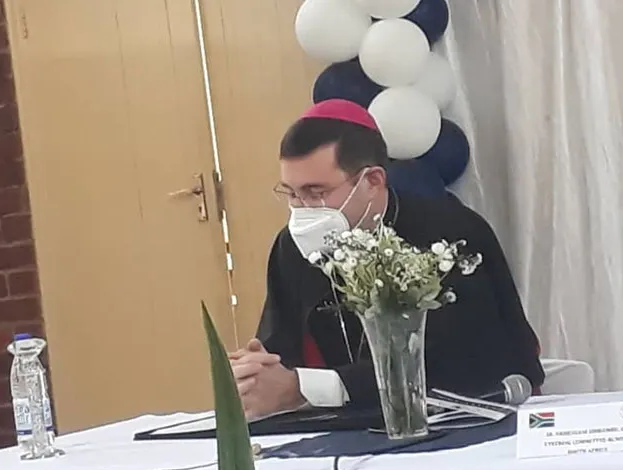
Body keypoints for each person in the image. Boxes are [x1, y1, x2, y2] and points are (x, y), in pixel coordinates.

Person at [229, 99, 544, 420]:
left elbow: (460, 359)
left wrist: (310, 387)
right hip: (343, 424)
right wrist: (260, 371)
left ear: (372, 182)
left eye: (316, 192)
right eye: (291, 193)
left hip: (463, 418)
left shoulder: (449, 234)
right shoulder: (293, 244)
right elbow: (282, 342)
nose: (302, 208)